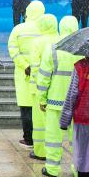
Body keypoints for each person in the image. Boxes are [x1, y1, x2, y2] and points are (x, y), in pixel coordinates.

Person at [36, 15, 81, 177]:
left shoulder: (53, 49)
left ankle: (52, 168)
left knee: (53, 137)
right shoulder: (83, 49)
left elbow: (43, 78)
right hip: (77, 102)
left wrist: (42, 99)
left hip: (55, 101)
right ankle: (78, 170)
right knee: (77, 138)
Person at [7, 0, 46, 148]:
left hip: (24, 74)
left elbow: (13, 49)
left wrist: (25, 65)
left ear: (28, 12)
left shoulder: (18, 29)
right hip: (41, 73)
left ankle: (28, 138)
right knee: (40, 107)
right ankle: (40, 138)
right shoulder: (45, 30)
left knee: (26, 107)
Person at [28, 13, 60, 161]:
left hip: (39, 88)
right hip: (56, 88)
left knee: (40, 122)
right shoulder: (62, 41)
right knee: (53, 125)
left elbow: (35, 67)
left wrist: (36, 83)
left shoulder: (37, 42)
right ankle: (53, 153)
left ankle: (40, 151)